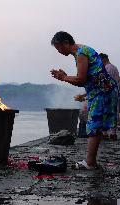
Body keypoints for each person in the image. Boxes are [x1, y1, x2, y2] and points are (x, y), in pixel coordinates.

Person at [50, 31, 118, 170]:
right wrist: (66, 77)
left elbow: (81, 79)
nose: (58, 51)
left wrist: (63, 77)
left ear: (66, 43)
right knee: (97, 127)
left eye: (58, 48)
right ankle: (91, 161)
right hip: (103, 91)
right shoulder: (81, 52)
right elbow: (84, 81)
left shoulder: (81, 53)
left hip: (101, 92)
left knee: (93, 126)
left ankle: (90, 163)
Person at [99, 53, 120, 140]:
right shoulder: (114, 67)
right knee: (113, 112)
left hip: (108, 93)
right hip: (114, 92)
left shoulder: (108, 68)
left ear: (103, 59)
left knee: (106, 113)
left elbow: (106, 82)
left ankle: (105, 133)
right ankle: (113, 133)